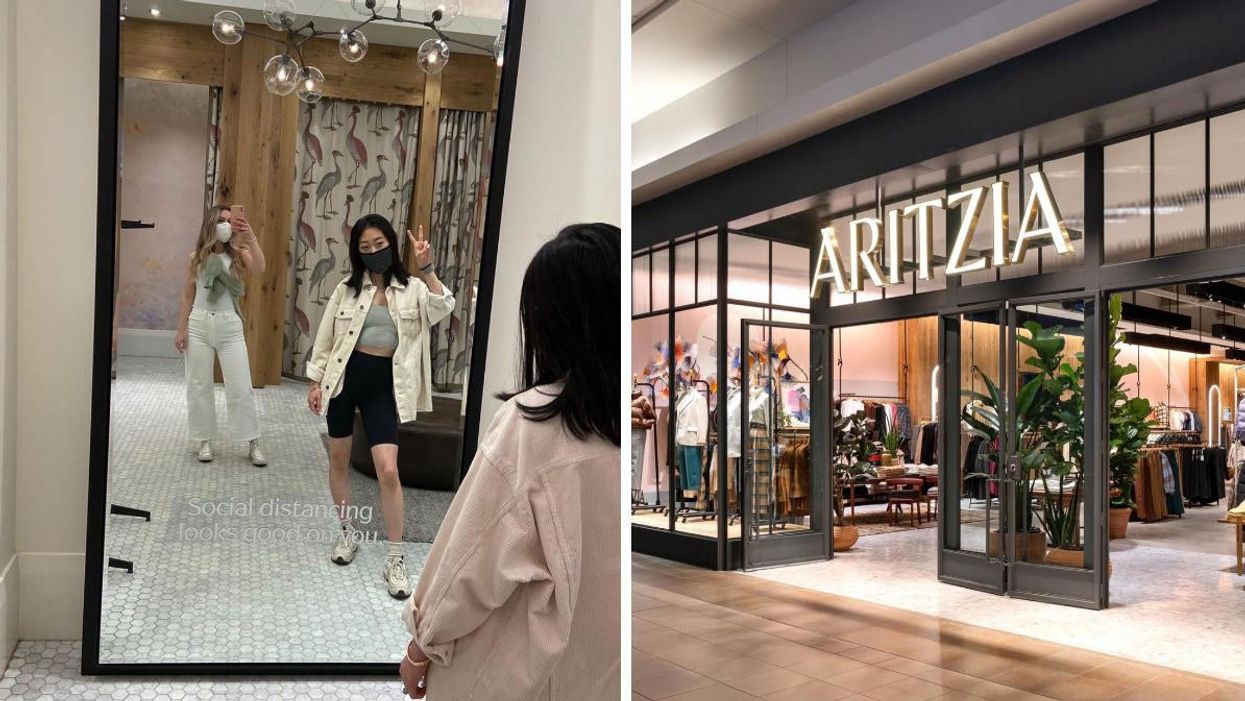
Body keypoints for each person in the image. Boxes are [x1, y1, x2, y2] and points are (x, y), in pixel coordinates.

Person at [398, 223, 620, 700]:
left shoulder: (533, 426)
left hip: (525, 672)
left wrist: (421, 644)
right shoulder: (625, 426)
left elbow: (469, 559)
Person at [305, 215, 455, 598]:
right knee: (338, 461)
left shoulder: (414, 289)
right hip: (343, 381)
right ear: (357, 252)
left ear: (391, 243)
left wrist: (428, 266)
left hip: (384, 388)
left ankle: (395, 556)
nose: (374, 252)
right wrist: (315, 381)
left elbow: (444, 307)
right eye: (365, 247)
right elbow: (325, 338)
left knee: (388, 470)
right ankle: (348, 533)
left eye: (379, 244)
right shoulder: (346, 289)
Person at [174, 205, 267, 466]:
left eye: (230, 221)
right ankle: (204, 439)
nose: (226, 225)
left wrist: (249, 236)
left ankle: (253, 440)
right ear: (211, 224)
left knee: (240, 386)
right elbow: (188, 295)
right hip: (199, 324)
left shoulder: (239, 255)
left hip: (230, 326)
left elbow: (260, 268)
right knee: (199, 384)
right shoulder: (196, 258)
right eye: (222, 221)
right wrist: (181, 328)